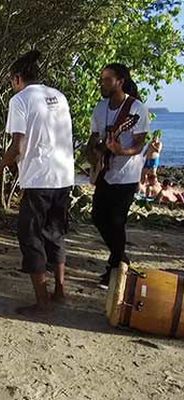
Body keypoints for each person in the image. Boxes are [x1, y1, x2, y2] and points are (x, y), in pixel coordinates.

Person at [0, 50, 75, 316]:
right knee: (55, 232)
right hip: (63, 175)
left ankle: (42, 301)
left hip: (40, 177)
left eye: (10, 80)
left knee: (29, 235)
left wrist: (0, 166)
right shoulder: (59, 96)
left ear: (17, 78)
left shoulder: (20, 100)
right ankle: (60, 291)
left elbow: (19, 143)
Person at [88, 63, 150, 289]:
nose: (102, 83)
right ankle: (121, 258)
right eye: (102, 79)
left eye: (107, 79)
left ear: (120, 81)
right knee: (97, 216)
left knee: (116, 220)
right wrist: (94, 155)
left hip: (127, 175)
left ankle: (114, 268)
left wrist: (121, 151)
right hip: (105, 172)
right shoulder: (100, 107)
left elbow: (139, 143)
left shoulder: (136, 110)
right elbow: (93, 139)